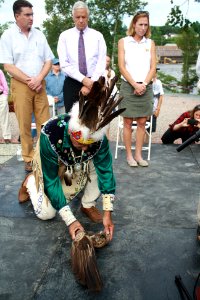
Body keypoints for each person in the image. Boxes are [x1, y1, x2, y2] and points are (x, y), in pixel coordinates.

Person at [18, 76, 124, 242]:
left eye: (89, 144)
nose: (86, 148)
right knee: (47, 213)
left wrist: (107, 213)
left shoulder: (99, 139)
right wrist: (70, 220)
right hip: (54, 161)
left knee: (96, 163)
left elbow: (106, 171)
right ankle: (31, 181)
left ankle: (88, 204)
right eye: (80, 144)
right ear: (70, 133)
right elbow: (52, 181)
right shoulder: (51, 133)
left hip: (75, 163)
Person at [0, 0, 54, 172]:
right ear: (17, 16)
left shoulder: (39, 34)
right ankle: (29, 158)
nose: (31, 18)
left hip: (40, 83)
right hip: (21, 85)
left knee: (45, 124)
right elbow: (8, 65)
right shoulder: (7, 36)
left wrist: (38, 79)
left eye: (32, 14)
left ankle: (44, 156)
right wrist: (31, 81)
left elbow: (48, 60)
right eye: (27, 15)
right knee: (24, 123)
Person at [118, 11, 156, 167]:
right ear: (134, 24)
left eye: (146, 24)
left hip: (146, 86)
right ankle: (129, 156)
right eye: (140, 24)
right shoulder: (123, 42)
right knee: (127, 122)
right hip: (128, 86)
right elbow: (121, 66)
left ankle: (139, 155)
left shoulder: (150, 43)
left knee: (142, 122)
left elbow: (153, 67)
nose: (143, 27)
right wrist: (134, 84)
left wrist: (144, 85)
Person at [57, 1, 107, 113]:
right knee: (72, 121)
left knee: (93, 120)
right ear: (73, 17)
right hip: (72, 82)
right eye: (77, 17)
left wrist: (91, 83)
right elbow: (64, 63)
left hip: (94, 81)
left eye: (83, 17)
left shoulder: (98, 36)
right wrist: (84, 80)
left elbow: (101, 62)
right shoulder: (64, 36)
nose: (81, 20)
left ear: (88, 17)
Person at [0, 69, 12, 144]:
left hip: (1, 96)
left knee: (4, 117)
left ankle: (7, 136)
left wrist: (5, 95)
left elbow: (4, 83)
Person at [152, 68, 164, 132]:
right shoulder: (145, 82)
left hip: (154, 108)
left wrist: (158, 109)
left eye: (155, 72)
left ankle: (147, 141)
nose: (154, 74)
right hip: (145, 108)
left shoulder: (158, 82)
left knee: (151, 129)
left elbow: (161, 96)